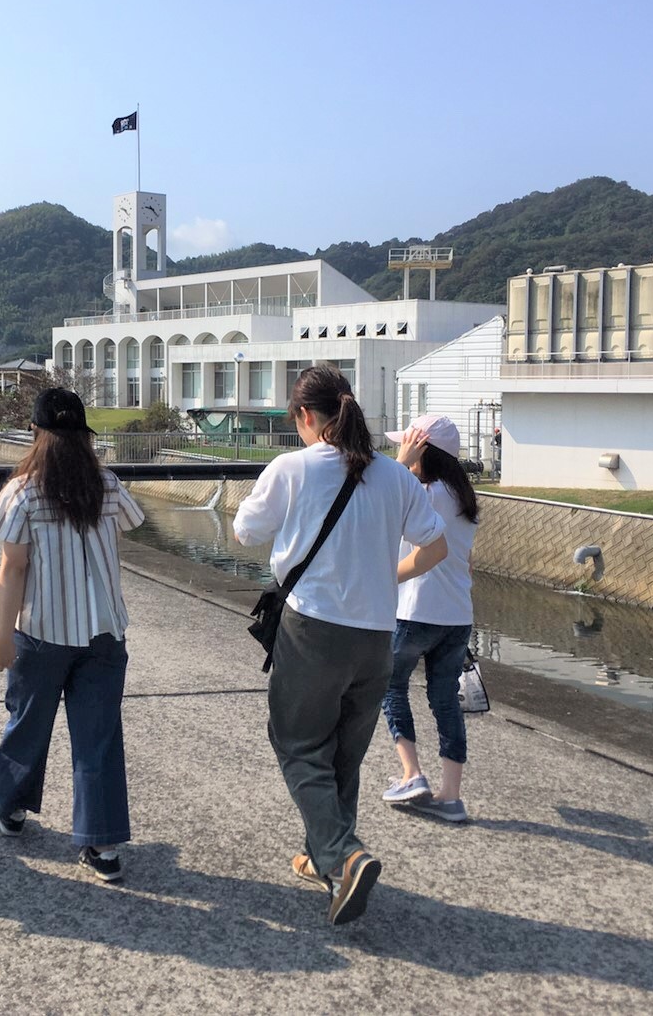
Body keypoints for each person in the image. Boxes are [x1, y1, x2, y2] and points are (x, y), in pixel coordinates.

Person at [234, 365, 447, 926]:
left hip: (314, 631)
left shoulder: (292, 467)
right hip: (376, 637)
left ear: (305, 415)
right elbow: (435, 548)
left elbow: (245, 532)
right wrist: (383, 578)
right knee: (342, 756)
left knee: (298, 743)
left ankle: (345, 855)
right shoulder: (396, 476)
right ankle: (323, 861)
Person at [0, 387, 145, 883]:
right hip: (104, 632)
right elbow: (128, 528)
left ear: (36, 432)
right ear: (83, 436)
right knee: (99, 736)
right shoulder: (107, 485)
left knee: (28, 723)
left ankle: (12, 806)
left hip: (42, 630)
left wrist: (3, 634)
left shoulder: (23, 491)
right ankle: (102, 845)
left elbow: (13, 568)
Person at [381, 414, 480, 823]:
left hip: (415, 609)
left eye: (407, 445)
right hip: (457, 615)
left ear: (424, 451)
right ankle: (451, 797)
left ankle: (412, 774)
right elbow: (465, 561)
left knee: (391, 685)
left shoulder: (423, 492)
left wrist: (401, 465)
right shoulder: (463, 497)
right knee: (444, 701)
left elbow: (379, 497)